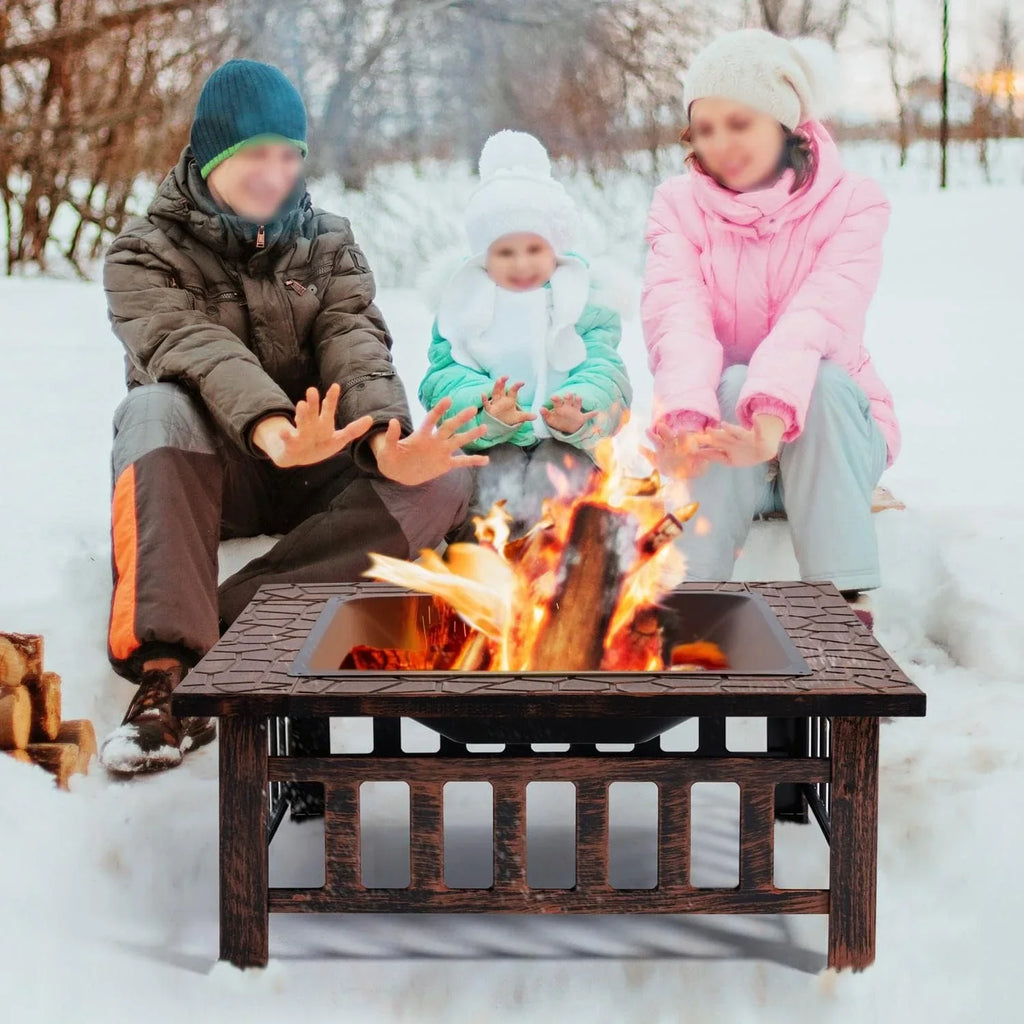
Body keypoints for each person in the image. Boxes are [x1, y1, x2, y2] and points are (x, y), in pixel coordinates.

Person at [99, 59, 487, 775]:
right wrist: (272, 430)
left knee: (443, 485)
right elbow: (192, 347)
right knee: (151, 410)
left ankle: (218, 625)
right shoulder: (142, 253)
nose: (273, 172)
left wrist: (384, 439)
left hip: (320, 462)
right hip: (217, 474)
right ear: (211, 155)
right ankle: (164, 683)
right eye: (253, 153)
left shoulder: (330, 242)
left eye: (288, 154)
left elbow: (355, 342)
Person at [641, 30, 899, 626]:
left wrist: (772, 419)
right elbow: (675, 313)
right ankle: (691, 602)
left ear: (785, 123)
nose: (720, 143)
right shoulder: (676, 205)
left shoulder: (855, 202)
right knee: (728, 383)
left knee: (827, 382)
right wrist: (685, 420)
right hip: (728, 448)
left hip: (832, 442)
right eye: (704, 129)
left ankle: (843, 610)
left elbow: (820, 317)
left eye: (739, 122)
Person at [419, 130, 631, 540]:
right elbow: (441, 379)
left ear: (556, 247)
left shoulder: (582, 299)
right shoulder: (464, 303)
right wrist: (485, 410)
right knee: (489, 491)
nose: (521, 264)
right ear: (484, 255)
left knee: (561, 482)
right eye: (505, 252)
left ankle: (557, 575)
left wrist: (581, 410)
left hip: (568, 441)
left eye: (534, 249)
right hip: (488, 443)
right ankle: (482, 581)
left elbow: (606, 369)